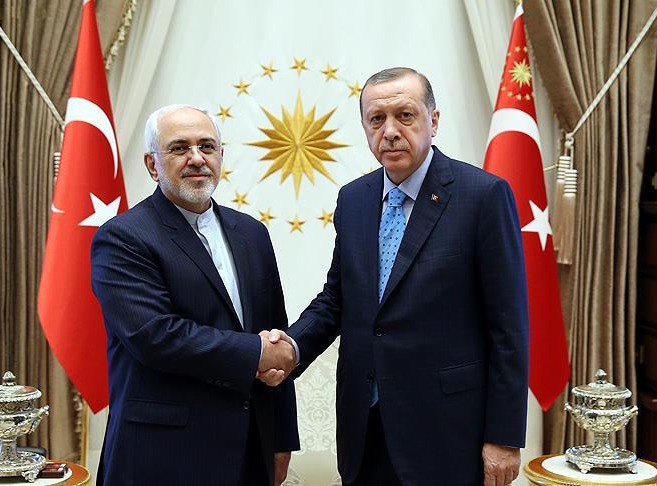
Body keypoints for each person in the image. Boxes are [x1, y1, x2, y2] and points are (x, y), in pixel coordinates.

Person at [260, 67, 529, 485]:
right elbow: (337, 299)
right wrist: (290, 347)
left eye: (404, 115)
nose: (389, 131)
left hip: (447, 433)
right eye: (376, 119)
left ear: (433, 121)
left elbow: (509, 326)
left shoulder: (483, 196)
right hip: (364, 428)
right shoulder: (354, 199)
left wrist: (504, 438)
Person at [91, 105, 299, 486]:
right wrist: (255, 352)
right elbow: (156, 336)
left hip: (250, 452)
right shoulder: (122, 237)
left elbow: (275, 332)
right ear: (152, 165)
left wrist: (281, 439)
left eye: (207, 146)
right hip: (162, 457)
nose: (197, 158)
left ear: (221, 156)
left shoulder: (252, 233)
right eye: (179, 148)